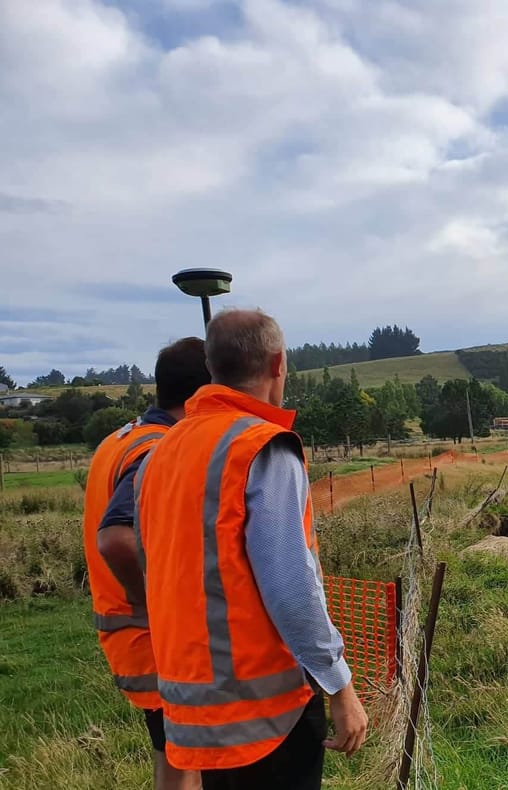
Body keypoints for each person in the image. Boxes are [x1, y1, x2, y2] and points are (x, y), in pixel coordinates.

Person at [135, 308, 367, 789]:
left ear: (212, 366)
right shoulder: (263, 448)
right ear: (278, 364)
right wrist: (339, 685)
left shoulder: (161, 454)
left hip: (191, 704)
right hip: (266, 712)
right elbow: (289, 587)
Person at [85, 337, 210, 790]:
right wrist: (158, 604)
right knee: (184, 763)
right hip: (154, 638)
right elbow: (116, 538)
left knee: (175, 759)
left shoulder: (123, 438)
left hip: (131, 634)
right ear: (202, 394)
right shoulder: (160, 450)